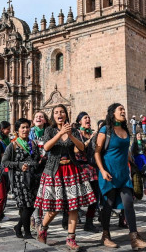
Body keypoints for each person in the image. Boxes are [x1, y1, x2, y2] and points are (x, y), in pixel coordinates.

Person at [35, 104, 96, 251]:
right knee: (55, 207)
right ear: (53, 116)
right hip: (54, 171)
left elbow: (81, 147)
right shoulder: (49, 130)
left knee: (73, 206)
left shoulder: (73, 130)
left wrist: (69, 134)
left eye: (62, 112)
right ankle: (43, 228)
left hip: (71, 170)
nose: (59, 114)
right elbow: (47, 147)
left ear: (66, 115)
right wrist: (60, 133)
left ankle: (71, 238)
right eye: (56, 112)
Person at [95, 103, 146, 250]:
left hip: (123, 173)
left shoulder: (125, 129)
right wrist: (102, 170)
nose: (123, 111)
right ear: (112, 113)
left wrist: (130, 159)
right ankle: (106, 235)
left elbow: (124, 148)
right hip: (109, 171)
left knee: (128, 203)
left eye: (124, 109)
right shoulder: (105, 130)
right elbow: (97, 152)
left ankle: (135, 239)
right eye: (120, 109)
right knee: (108, 204)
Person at [2, 118, 40, 239]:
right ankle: (27, 233)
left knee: (32, 206)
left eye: (27, 127)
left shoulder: (33, 143)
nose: (25, 130)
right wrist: (18, 165)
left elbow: (37, 159)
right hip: (20, 180)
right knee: (26, 206)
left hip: (33, 179)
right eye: (22, 127)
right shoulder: (12, 145)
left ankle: (18, 227)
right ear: (17, 130)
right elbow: (4, 162)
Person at [74, 111, 99, 233]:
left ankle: (89, 222)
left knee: (94, 197)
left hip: (93, 168)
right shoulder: (77, 133)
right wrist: (91, 140)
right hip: (80, 168)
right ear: (80, 121)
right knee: (77, 196)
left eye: (89, 117)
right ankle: (67, 218)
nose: (88, 119)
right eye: (85, 118)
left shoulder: (92, 133)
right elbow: (77, 150)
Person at [28, 111, 49, 230]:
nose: (38, 118)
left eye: (41, 116)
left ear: (45, 120)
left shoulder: (49, 132)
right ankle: (37, 219)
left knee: (43, 194)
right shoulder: (30, 132)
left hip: (46, 166)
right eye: (36, 117)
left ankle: (38, 217)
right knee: (36, 194)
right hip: (33, 167)